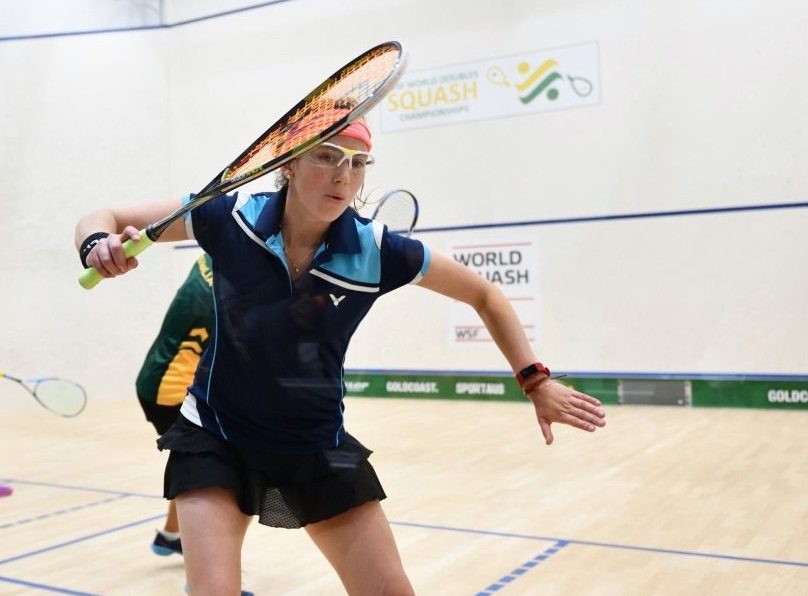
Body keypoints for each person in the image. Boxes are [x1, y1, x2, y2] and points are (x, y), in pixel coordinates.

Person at [75, 115, 606, 596]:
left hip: (315, 444)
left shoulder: (377, 251)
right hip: (216, 435)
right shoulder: (228, 218)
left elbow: (484, 294)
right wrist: (96, 243)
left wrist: (535, 381)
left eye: (357, 164)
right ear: (288, 164)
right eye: (326, 156)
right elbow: (104, 214)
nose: (343, 177)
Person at [135, 253, 214, 557]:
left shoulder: (208, 263)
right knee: (218, 476)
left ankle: (170, 536)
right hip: (170, 391)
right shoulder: (223, 297)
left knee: (195, 466)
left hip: (154, 380)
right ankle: (205, 578)